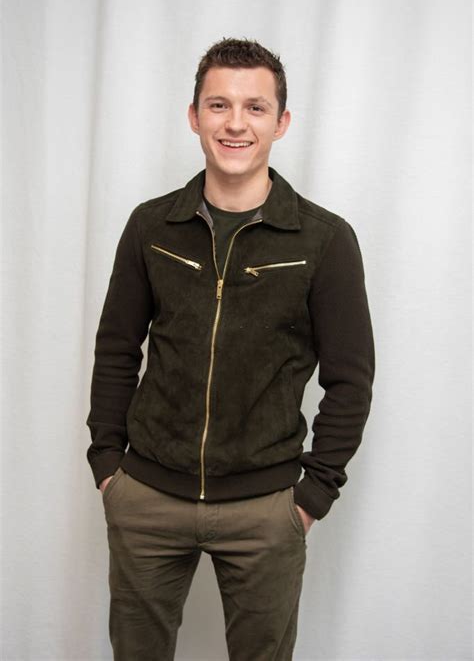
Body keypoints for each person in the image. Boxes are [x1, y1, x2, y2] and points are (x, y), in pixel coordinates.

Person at [86, 37, 375, 661]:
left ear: (281, 122)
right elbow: (116, 350)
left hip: (266, 509)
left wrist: (311, 496)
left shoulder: (324, 240)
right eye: (218, 105)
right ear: (194, 116)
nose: (235, 123)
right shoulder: (151, 226)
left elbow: (350, 380)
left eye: (255, 108)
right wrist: (109, 465)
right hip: (146, 498)